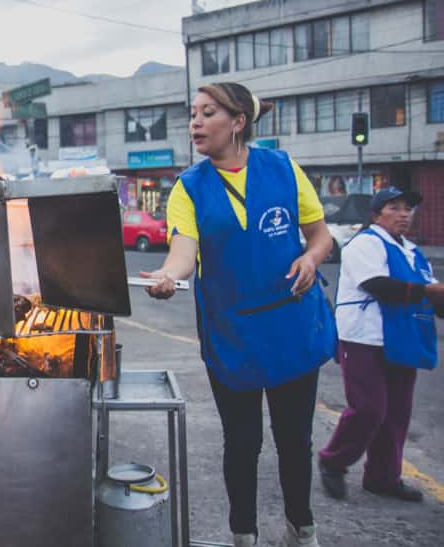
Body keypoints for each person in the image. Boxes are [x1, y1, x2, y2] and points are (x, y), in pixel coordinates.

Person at [141, 82, 336, 547]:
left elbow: (320, 235)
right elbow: (183, 253)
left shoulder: (284, 168)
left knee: (294, 440)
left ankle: (301, 530)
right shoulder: (188, 188)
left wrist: (310, 260)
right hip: (233, 332)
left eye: (208, 113)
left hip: (290, 324)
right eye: (193, 114)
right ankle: (243, 535)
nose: (195, 122)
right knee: (243, 443)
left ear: (238, 123)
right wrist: (167, 277)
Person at [318, 187, 444, 503]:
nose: (404, 214)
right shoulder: (365, 244)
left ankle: (383, 477)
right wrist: (430, 291)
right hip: (365, 337)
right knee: (369, 408)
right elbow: (379, 286)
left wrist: (435, 296)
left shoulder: (412, 253)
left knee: (397, 413)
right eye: (395, 208)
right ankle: (333, 460)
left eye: (409, 209)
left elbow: (432, 297)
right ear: (376, 214)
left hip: (402, 338)